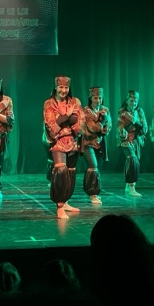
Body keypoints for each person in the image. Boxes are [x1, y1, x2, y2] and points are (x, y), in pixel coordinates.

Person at [43, 76, 84, 220]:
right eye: (61, 87)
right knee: (60, 171)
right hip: (57, 142)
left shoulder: (75, 101)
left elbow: (80, 122)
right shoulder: (49, 103)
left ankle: (66, 201)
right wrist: (68, 115)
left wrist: (63, 119)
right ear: (55, 87)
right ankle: (59, 207)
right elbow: (51, 126)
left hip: (72, 141)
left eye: (66, 88)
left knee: (70, 174)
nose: (63, 90)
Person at [81, 86, 111, 204]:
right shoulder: (86, 111)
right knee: (93, 165)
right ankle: (93, 194)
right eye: (95, 98)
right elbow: (92, 128)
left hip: (99, 142)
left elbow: (109, 125)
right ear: (90, 98)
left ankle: (89, 190)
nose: (98, 100)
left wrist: (105, 129)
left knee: (94, 167)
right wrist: (102, 122)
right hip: (87, 142)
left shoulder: (105, 109)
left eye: (100, 98)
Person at [116, 90, 147, 197]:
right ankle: (131, 186)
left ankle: (128, 185)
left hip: (136, 140)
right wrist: (122, 130)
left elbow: (144, 127)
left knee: (134, 162)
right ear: (127, 100)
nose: (133, 103)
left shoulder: (140, 112)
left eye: (136, 101)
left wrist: (134, 120)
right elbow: (120, 125)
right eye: (131, 100)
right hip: (126, 140)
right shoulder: (122, 111)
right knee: (132, 160)